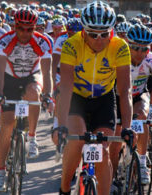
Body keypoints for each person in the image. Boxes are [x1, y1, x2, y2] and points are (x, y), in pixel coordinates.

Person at [56, 1, 132, 194]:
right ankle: (65, 188)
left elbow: (125, 91)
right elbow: (65, 87)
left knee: (102, 150)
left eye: (104, 34)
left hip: (103, 100)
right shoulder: (71, 45)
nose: (99, 40)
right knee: (76, 140)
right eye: (93, 34)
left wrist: (128, 127)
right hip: (77, 98)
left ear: (111, 32)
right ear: (83, 32)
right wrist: (60, 124)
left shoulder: (120, 47)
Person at [0, 7, 54, 192]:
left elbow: (46, 72)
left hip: (31, 77)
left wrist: (48, 96)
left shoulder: (42, 42)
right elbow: (0, 73)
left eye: (30, 29)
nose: (25, 33)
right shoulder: (5, 41)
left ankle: (32, 138)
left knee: (35, 92)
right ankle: (1, 172)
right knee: (7, 126)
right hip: (9, 80)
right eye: (21, 28)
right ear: (14, 26)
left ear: (35, 28)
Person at [111, 24, 152, 186]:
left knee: (142, 117)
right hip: (117, 97)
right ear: (128, 45)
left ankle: (142, 164)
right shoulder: (118, 56)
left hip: (138, 96)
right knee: (115, 141)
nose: (140, 53)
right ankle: (112, 177)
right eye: (136, 48)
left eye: (145, 49)